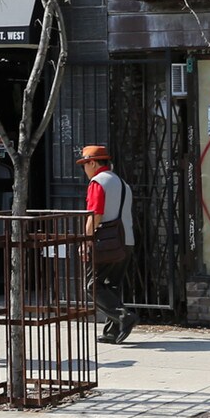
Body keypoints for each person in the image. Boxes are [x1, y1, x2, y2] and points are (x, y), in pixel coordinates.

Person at [77, 145, 137, 344]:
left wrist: (86, 242)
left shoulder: (98, 182)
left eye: (84, 165)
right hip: (126, 240)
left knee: (92, 285)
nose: (84, 170)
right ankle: (113, 331)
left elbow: (95, 214)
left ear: (92, 163)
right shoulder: (122, 183)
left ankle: (123, 317)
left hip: (107, 242)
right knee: (112, 285)